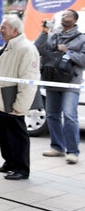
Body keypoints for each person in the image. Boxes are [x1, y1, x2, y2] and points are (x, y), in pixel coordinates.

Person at [0, 15, 40, 180]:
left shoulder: (26, 48)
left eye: (3, 27)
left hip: (13, 100)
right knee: (5, 133)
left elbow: (29, 80)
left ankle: (22, 169)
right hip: (2, 99)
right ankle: (10, 163)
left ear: (15, 30)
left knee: (17, 134)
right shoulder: (9, 46)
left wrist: (21, 104)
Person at [34, 9, 84, 165]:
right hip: (52, 80)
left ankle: (73, 152)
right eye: (63, 15)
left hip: (70, 83)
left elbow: (84, 60)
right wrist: (44, 32)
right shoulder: (53, 36)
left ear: (75, 20)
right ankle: (57, 147)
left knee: (69, 116)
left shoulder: (81, 38)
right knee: (52, 115)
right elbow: (37, 49)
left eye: (67, 15)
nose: (64, 17)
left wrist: (68, 51)